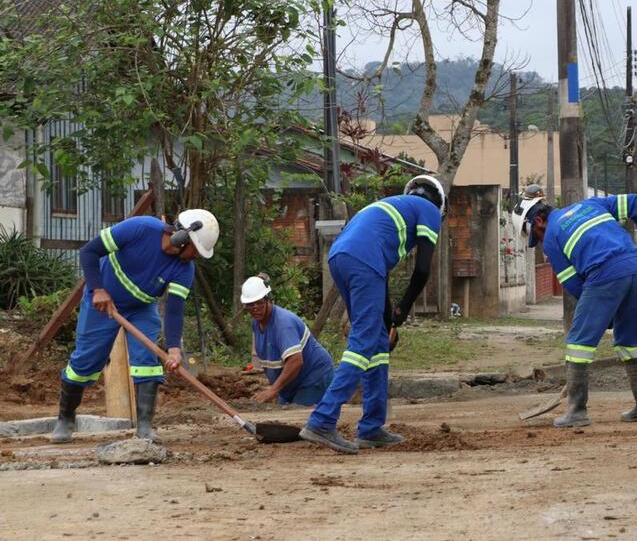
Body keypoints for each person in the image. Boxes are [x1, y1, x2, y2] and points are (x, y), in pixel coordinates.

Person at [300, 175, 445, 453]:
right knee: (364, 342)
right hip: (364, 262)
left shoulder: (388, 208)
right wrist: (404, 310)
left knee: (377, 342)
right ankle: (322, 420)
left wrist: (390, 319)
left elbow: (382, 278)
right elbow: (423, 270)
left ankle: (371, 428)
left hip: (343, 258)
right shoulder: (428, 211)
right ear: (438, 203)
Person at [51, 209, 220, 443]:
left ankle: (144, 427)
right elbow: (89, 251)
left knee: (147, 362)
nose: (196, 257)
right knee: (85, 363)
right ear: (182, 239)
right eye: (196, 251)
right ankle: (65, 419)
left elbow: (174, 309)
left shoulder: (184, 269)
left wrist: (173, 347)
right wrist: (97, 289)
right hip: (102, 300)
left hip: (141, 308)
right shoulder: (139, 228)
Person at [511, 192, 637, 428]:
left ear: (539, 221)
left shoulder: (552, 236)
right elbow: (634, 202)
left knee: (578, 343)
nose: (540, 242)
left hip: (604, 275)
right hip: (635, 272)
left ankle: (577, 411)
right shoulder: (591, 205)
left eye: (536, 236)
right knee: (629, 340)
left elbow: (574, 284)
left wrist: (602, 311)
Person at [241, 273, 334, 406]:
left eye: (259, 303)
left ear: (268, 300)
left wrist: (272, 390)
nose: (255, 308)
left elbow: (295, 361)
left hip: (314, 377)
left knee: (297, 418)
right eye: (250, 305)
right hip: (292, 383)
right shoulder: (257, 323)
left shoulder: (283, 324)